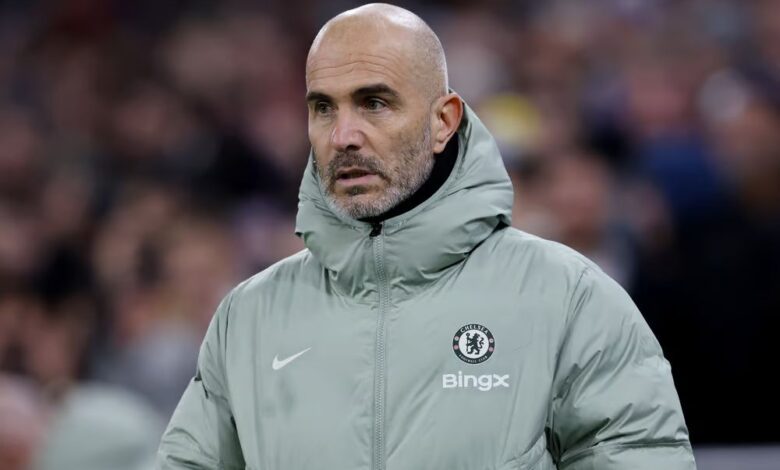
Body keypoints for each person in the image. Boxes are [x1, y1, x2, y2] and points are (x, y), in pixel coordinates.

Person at [157, 4, 696, 469]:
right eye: (323, 108)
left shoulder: (570, 298)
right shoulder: (249, 318)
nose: (343, 135)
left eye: (374, 103)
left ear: (444, 120)